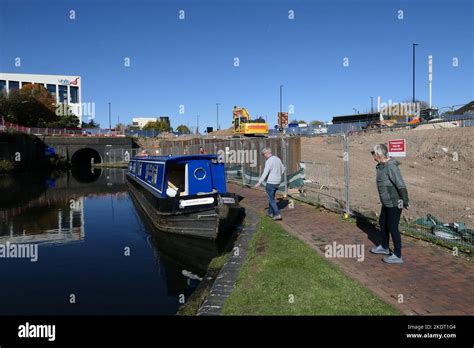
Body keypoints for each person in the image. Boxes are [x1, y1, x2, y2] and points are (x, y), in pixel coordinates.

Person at [370, 144, 409, 264]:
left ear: (379, 155)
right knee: (383, 222)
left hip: (395, 202)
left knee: (392, 227)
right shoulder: (381, 166)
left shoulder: (391, 167)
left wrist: (405, 200)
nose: (373, 157)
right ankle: (385, 247)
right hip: (386, 202)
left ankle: (398, 255)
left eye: (374, 155)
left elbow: (400, 184)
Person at [253, 148, 285, 221]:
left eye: (264, 155)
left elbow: (265, 172)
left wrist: (259, 182)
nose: (264, 156)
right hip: (277, 182)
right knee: (272, 197)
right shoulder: (278, 159)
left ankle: (277, 214)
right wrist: (278, 175)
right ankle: (270, 212)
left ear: (266, 153)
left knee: (271, 199)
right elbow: (283, 169)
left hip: (271, 182)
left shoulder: (269, 161)